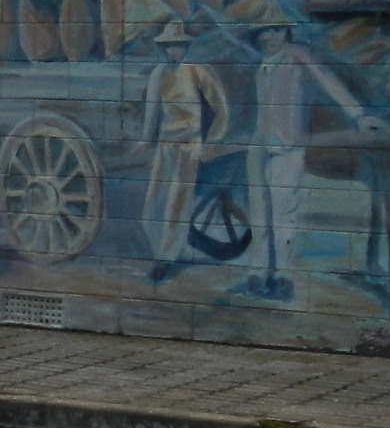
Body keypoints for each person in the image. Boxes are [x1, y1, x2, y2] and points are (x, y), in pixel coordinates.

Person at [239, 23, 377, 301]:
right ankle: (257, 273)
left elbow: (326, 79)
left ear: (286, 32)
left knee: (283, 216)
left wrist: (358, 114)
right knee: (259, 216)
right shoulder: (264, 64)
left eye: (276, 30)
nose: (269, 36)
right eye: (264, 31)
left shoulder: (297, 55)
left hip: (288, 149)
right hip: (259, 148)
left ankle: (282, 277)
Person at [141, 22, 229, 282]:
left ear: (186, 46)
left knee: (176, 205)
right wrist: (146, 141)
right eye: (169, 47)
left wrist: (211, 142)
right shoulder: (159, 74)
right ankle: (159, 252)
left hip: (189, 145)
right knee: (152, 208)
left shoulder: (197, 71)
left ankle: (166, 259)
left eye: (178, 46)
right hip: (165, 146)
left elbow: (221, 109)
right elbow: (152, 112)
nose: (173, 51)